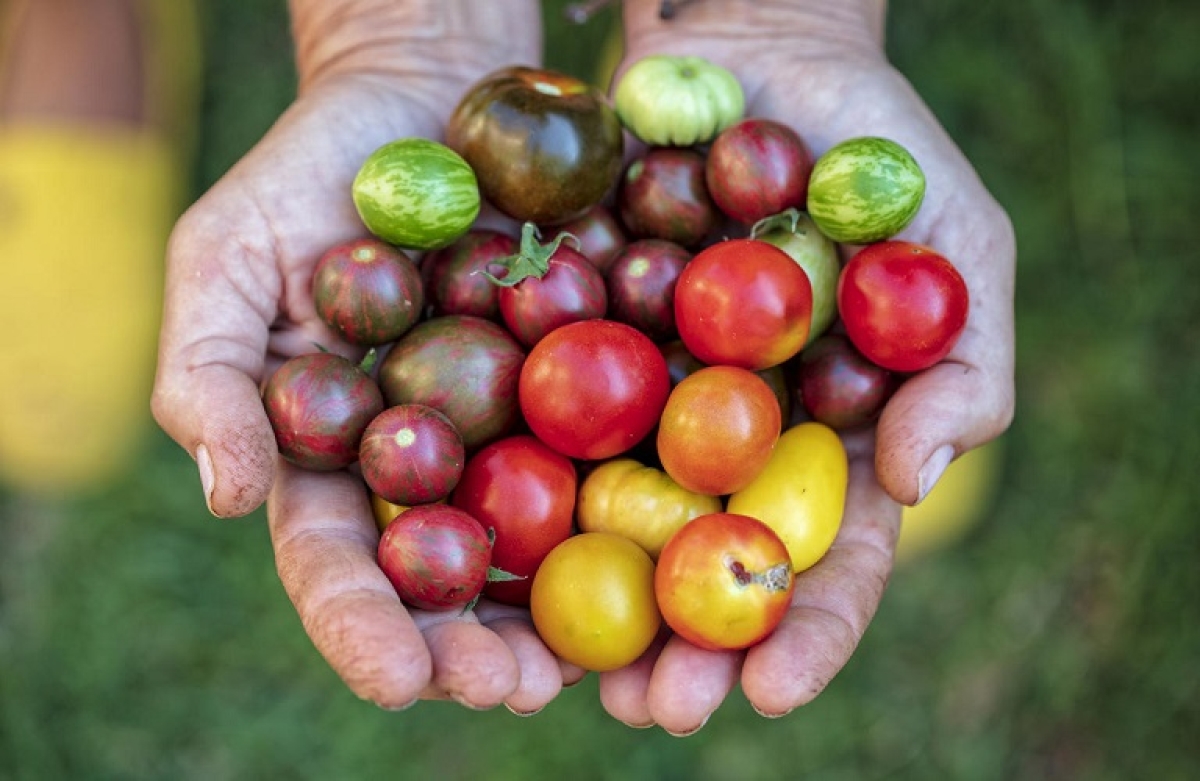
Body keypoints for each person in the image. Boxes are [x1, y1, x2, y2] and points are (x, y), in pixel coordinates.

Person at [151, 0, 1015, 734]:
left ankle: (824, 457)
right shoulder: (548, 333)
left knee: (872, 441)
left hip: (737, 410)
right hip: (684, 430)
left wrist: (792, 19)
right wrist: (394, 37)